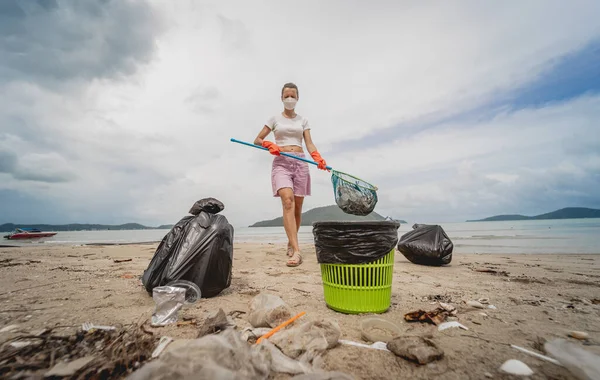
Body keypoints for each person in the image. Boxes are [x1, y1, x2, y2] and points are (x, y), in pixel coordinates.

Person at [254, 82, 328, 267]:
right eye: (286, 96)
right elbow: (257, 139)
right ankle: (297, 251)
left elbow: (309, 143)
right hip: (281, 163)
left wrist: (317, 157)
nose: (289, 99)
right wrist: (269, 144)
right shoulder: (274, 119)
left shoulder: (303, 120)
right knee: (287, 201)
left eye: (292, 96)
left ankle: (291, 241)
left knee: (297, 208)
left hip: (301, 162)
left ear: (297, 98)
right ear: (281, 98)